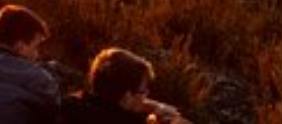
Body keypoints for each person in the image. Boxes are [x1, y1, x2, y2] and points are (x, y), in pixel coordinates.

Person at [61, 47, 192, 124]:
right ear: (127, 96)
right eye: (143, 91)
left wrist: (154, 107)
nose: (147, 94)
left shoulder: (73, 104)